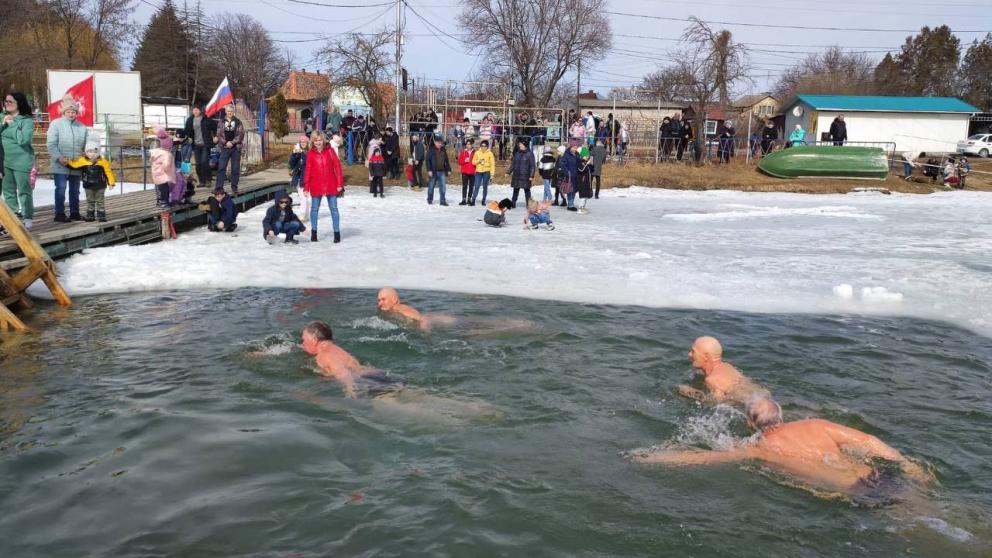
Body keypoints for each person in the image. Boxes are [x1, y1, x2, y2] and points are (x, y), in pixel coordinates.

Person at [632, 398, 930, 498]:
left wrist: (652, 458)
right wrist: (906, 463)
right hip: (880, 475)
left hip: (858, 494)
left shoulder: (759, 449)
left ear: (750, 425)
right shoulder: (817, 424)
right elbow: (870, 442)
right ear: (782, 414)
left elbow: (705, 457)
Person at [676, 336, 769, 405]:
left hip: (753, 406)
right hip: (763, 397)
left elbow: (719, 403)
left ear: (706, 357)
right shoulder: (727, 366)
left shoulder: (711, 379)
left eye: (693, 351)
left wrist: (691, 393)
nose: (689, 354)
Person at [47, 95, 89, 222]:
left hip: (76, 163)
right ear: (64, 112)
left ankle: (74, 213)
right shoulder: (56, 124)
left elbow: (87, 144)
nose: (71, 114)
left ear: (77, 113)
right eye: (68, 112)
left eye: (73, 112)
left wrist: (87, 156)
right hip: (60, 164)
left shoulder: (82, 127)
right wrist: (58, 157)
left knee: (75, 190)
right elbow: (51, 144)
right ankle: (59, 214)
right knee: (60, 189)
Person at [1, 92, 36, 230]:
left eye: (11, 101)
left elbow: (23, 140)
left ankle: (27, 217)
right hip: (4, 160)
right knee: (8, 191)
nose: (7, 104)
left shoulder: (26, 121)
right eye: (6, 101)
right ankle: (13, 218)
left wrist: (12, 124)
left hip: (21, 160)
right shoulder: (1, 117)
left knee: (24, 190)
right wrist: (3, 123)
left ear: (19, 103)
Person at [303, 131, 344, 243]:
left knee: (334, 209)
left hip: (331, 184)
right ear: (313, 141)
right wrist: (306, 187)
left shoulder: (330, 151)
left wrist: (340, 184)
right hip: (316, 185)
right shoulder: (311, 154)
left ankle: (336, 233)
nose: (318, 142)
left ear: (323, 140)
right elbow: (308, 171)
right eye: (316, 140)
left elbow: (337, 167)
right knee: (314, 209)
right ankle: (314, 233)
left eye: (320, 140)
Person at [66, 139, 115, 222]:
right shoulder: (83, 161)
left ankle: (101, 215)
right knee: (90, 201)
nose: (92, 154)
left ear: (99, 153)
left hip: (100, 185)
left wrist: (111, 183)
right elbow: (75, 165)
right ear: (86, 152)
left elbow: (108, 172)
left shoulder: (103, 162)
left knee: (100, 201)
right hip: (88, 185)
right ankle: (90, 215)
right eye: (90, 151)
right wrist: (68, 162)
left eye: (95, 152)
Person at [182, 104, 216, 187]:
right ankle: (202, 181)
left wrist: (215, 136)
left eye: (197, 110)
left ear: (200, 111)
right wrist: (184, 137)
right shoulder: (190, 120)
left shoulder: (206, 119)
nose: (195, 111)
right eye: (194, 110)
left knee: (204, 162)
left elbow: (215, 127)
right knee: (198, 164)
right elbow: (186, 131)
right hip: (196, 145)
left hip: (205, 144)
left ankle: (208, 180)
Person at [214, 104, 245, 194]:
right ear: (225, 112)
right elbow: (219, 134)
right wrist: (225, 142)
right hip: (224, 147)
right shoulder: (221, 122)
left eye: (231, 111)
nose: (230, 113)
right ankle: (219, 187)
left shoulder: (238, 122)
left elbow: (241, 134)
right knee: (221, 167)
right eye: (228, 111)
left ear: (233, 112)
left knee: (235, 168)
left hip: (235, 148)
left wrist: (232, 142)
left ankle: (234, 187)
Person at [149, 129, 176, 208]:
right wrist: (168, 170)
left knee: (159, 188)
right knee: (165, 189)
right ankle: (165, 202)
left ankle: (159, 201)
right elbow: (166, 165)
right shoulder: (166, 154)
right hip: (163, 174)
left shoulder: (156, 153)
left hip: (156, 174)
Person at [508, 139, 535, 207]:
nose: (519, 145)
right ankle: (513, 203)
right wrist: (508, 172)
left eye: (521, 144)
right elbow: (513, 164)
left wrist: (531, 176)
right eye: (519, 144)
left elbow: (532, 166)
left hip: (525, 175)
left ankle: (528, 204)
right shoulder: (517, 153)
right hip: (517, 175)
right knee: (516, 189)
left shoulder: (530, 154)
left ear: (525, 145)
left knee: (527, 190)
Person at [425, 135, 451, 206]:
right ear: (435, 142)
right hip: (433, 171)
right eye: (438, 142)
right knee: (431, 186)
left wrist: (448, 169)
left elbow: (446, 161)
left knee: (443, 187)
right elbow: (427, 161)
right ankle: (429, 199)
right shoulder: (431, 150)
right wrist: (429, 170)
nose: (439, 144)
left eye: (440, 143)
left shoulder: (443, 150)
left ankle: (442, 201)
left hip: (442, 171)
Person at [288, 134, 310, 215]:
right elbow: (291, 164)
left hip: (307, 178)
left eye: (304, 142)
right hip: (298, 177)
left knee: (305, 197)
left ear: (307, 143)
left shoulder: (310, 152)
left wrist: (304, 154)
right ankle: (304, 214)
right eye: (301, 142)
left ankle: (304, 214)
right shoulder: (297, 151)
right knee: (302, 197)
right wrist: (294, 154)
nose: (303, 143)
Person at [470, 139, 495, 206]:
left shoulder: (490, 153)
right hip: (478, 172)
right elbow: (473, 162)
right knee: (477, 186)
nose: (483, 147)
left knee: (485, 187)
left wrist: (492, 175)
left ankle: (483, 200)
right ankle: (473, 200)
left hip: (486, 172)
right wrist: (479, 161)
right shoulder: (477, 152)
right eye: (482, 146)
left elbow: (492, 164)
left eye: (485, 146)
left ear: (487, 146)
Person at [559, 143, 579, 211]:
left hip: (576, 175)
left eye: (576, 148)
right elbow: (562, 165)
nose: (575, 149)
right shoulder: (566, 155)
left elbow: (579, 163)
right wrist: (567, 172)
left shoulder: (577, 154)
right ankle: (570, 205)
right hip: (569, 176)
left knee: (574, 190)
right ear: (570, 147)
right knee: (569, 190)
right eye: (574, 148)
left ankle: (571, 203)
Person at [456, 137, 475, 205]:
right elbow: (459, 162)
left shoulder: (475, 152)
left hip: (472, 172)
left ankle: (469, 199)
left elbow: (476, 162)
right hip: (465, 172)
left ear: (472, 145)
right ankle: (464, 199)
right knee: (464, 186)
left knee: (471, 186)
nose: (468, 145)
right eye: (467, 144)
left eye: (469, 144)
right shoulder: (463, 152)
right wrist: (464, 161)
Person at [575, 146, 594, 214]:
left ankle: (583, 207)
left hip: (587, 181)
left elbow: (592, 170)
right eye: (586, 156)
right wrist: (586, 164)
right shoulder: (580, 162)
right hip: (582, 181)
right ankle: (580, 208)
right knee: (583, 195)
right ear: (582, 155)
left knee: (586, 195)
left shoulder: (586, 162)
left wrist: (591, 164)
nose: (587, 157)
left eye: (587, 155)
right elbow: (581, 170)